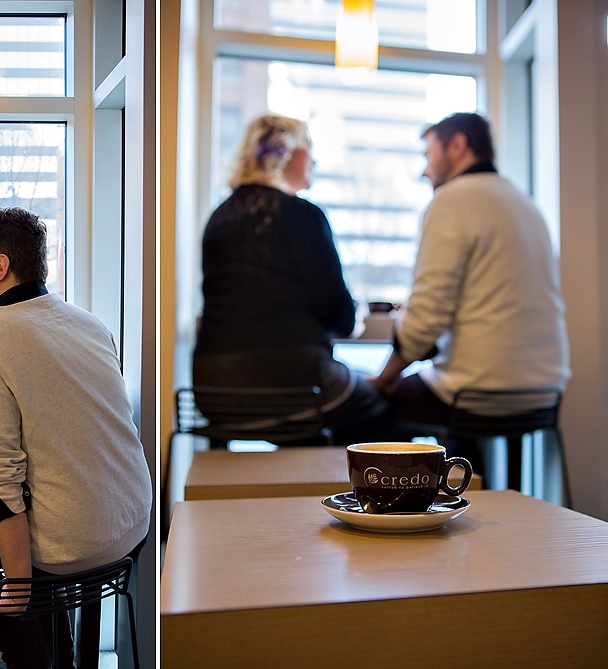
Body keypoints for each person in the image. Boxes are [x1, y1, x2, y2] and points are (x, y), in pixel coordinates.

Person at [0, 207, 152, 669]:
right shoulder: (88, 322)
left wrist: (16, 591)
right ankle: (61, 655)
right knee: (26, 513)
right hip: (132, 525)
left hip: (71, 545)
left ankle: (36, 662)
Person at [369, 112, 571, 469]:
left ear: (458, 145)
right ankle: (480, 489)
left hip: (476, 392)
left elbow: (427, 316)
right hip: (544, 391)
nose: (425, 170)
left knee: (371, 407)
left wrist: (385, 377)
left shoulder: (451, 200)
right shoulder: (526, 204)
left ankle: (430, 499)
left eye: (429, 154)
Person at [192, 113, 389, 444]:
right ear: (289, 152)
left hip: (214, 390)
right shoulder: (301, 214)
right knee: (379, 406)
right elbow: (338, 315)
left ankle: (299, 470)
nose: (314, 160)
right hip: (295, 386)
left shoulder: (220, 217)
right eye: (308, 147)